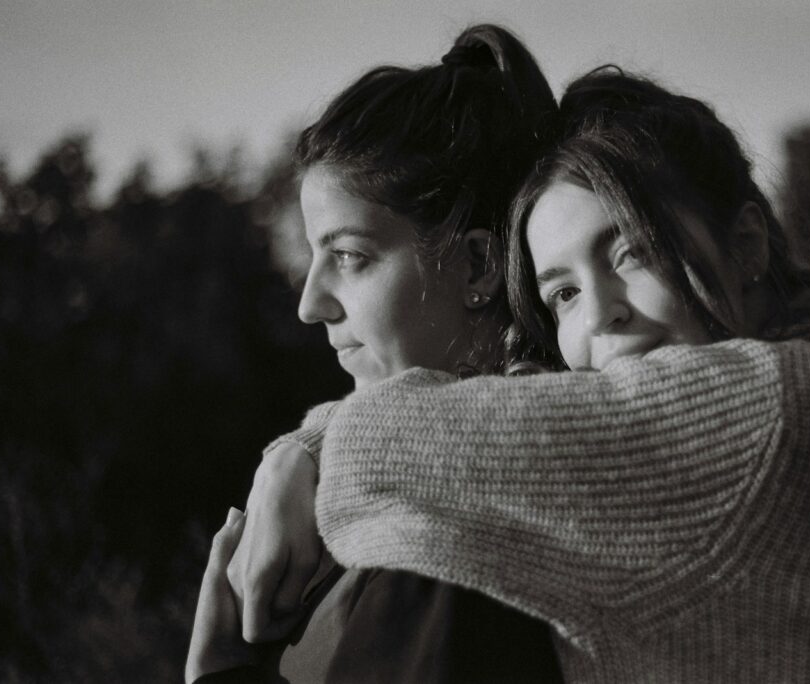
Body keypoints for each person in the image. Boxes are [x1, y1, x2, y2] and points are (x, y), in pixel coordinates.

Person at [237, 68, 810, 682]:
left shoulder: (789, 409)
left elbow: (399, 446)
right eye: (562, 293)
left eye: (631, 251)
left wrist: (301, 456)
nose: (600, 315)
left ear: (746, 243)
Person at [186, 25, 564, 683]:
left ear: (478, 264)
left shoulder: (447, 538)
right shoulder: (362, 506)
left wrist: (220, 672)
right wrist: (299, 455)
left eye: (350, 257)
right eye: (314, 257)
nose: (310, 304)